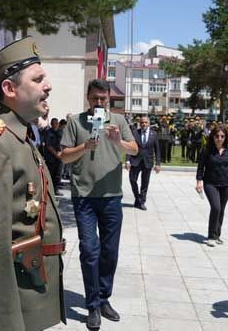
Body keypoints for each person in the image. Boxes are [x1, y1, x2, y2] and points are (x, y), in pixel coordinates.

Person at [0, 37, 65, 331]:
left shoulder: (18, 137)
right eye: (38, 79)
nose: (48, 86)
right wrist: (3, 323)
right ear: (9, 88)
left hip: (29, 291)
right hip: (11, 307)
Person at [59, 79, 138, 330]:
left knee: (109, 252)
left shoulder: (119, 121)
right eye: (95, 98)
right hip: (84, 197)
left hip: (112, 197)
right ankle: (92, 305)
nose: (99, 103)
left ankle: (104, 298)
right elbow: (64, 156)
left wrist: (118, 142)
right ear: (88, 98)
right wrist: (85, 146)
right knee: (89, 251)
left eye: (103, 98)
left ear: (108, 99)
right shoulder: (75, 122)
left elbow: (134, 150)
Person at [196, 126, 228, 246]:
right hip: (210, 183)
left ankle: (217, 235)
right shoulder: (207, 150)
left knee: (221, 209)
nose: (219, 139)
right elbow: (200, 167)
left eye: (222, 136)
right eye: (217, 136)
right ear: (213, 137)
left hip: (226, 185)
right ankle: (211, 236)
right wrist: (199, 181)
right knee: (216, 207)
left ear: (225, 137)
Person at [125, 115, 160, 211]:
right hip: (135, 161)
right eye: (142, 122)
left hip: (148, 162)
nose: (144, 124)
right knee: (132, 180)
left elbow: (157, 150)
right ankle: (137, 197)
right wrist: (127, 160)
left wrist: (158, 163)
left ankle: (141, 202)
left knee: (145, 183)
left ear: (149, 123)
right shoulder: (135, 133)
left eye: (145, 122)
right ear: (140, 124)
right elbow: (130, 147)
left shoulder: (154, 134)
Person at [44, 117, 64, 194]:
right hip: (51, 157)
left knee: (58, 174)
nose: (56, 124)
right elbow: (48, 146)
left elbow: (62, 143)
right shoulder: (48, 133)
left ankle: (55, 189)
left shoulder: (60, 132)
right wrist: (56, 154)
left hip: (59, 156)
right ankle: (49, 190)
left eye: (57, 123)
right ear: (51, 124)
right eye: (54, 123)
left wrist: (62, 153)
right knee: (50, 174)